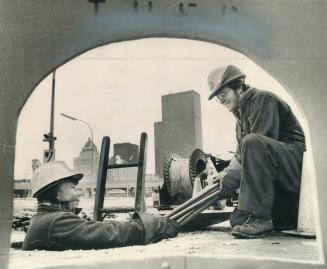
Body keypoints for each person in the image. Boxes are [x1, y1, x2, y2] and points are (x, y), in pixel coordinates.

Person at [207, 65, 306, 239]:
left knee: (252, 142)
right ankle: (277, 217)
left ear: (238, 87)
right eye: (218, 98)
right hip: (280, 179)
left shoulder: (262, 99)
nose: (221, 100)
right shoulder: (239, 122)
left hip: (298, 169)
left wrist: (233, 177)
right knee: (238, 219)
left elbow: (258, 148)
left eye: (223, 94)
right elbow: (240, 158)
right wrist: (225, 175)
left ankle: (261, 218)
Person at [22, 161, 180, 250]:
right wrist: (151, 225)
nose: (77, 193)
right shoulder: (56, 221)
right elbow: (107, 233)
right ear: (56, 193)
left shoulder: (44, 218)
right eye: (72, 188)